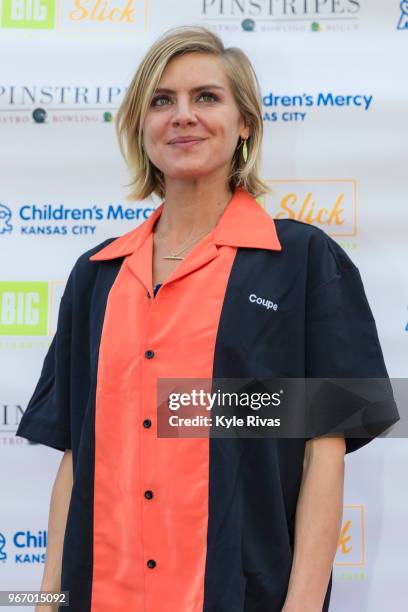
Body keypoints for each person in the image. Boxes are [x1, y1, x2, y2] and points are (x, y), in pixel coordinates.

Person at [16, 25, 399, 612]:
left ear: (244, 123)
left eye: (207, 98)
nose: (183, 116)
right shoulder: (95, 275)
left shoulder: (302, 262)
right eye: (162, 101)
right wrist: (46, 599)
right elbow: (76, 458)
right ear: (140, 127)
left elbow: (323, 453)